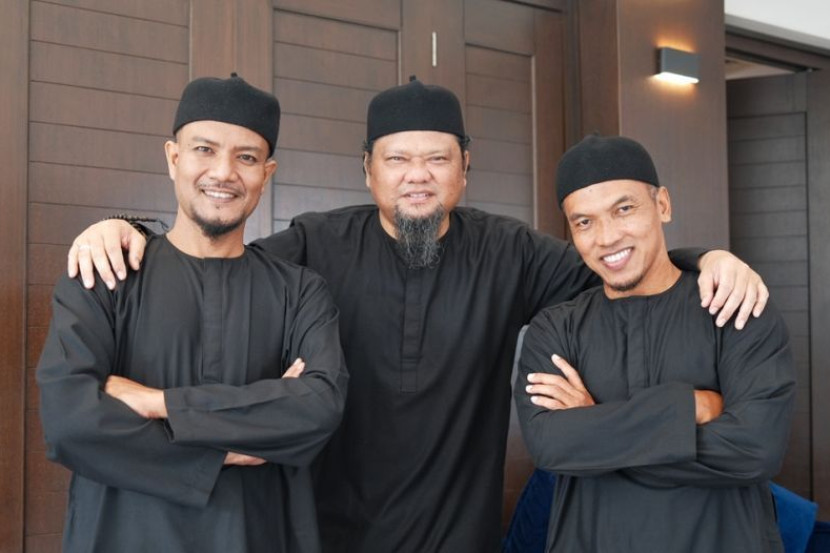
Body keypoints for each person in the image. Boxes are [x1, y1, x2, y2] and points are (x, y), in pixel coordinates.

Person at [65, 80, 769, 553]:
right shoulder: (314, 244)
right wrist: (128, 228)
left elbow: (614, 259)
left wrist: (705, 258)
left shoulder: (511, 251)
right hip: (325, 529)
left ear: (465, 168)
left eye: (437, 158)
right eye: (398, 158)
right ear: (368, 169)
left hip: (458, 532)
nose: (417, 175)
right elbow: (217, 258)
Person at [37, 74, 348, 553]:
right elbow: (69, 422)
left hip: (256, 535)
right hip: (121, 536)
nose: (223, 172)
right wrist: (228, 449)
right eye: (204, 149)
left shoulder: (301, 291)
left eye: (246, 157)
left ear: (266, 174)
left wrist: (158, 402)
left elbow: (317, 408)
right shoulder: (106, 272)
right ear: (173, 158)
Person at [515, 135, 795, 553]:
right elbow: (550, 446)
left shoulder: (734, 306)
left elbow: (756, 448)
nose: (607, 237)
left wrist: (593, 427)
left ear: (662, 204)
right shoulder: (554, 329)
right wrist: (689, 408)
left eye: (623, 209)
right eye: (584, 222)